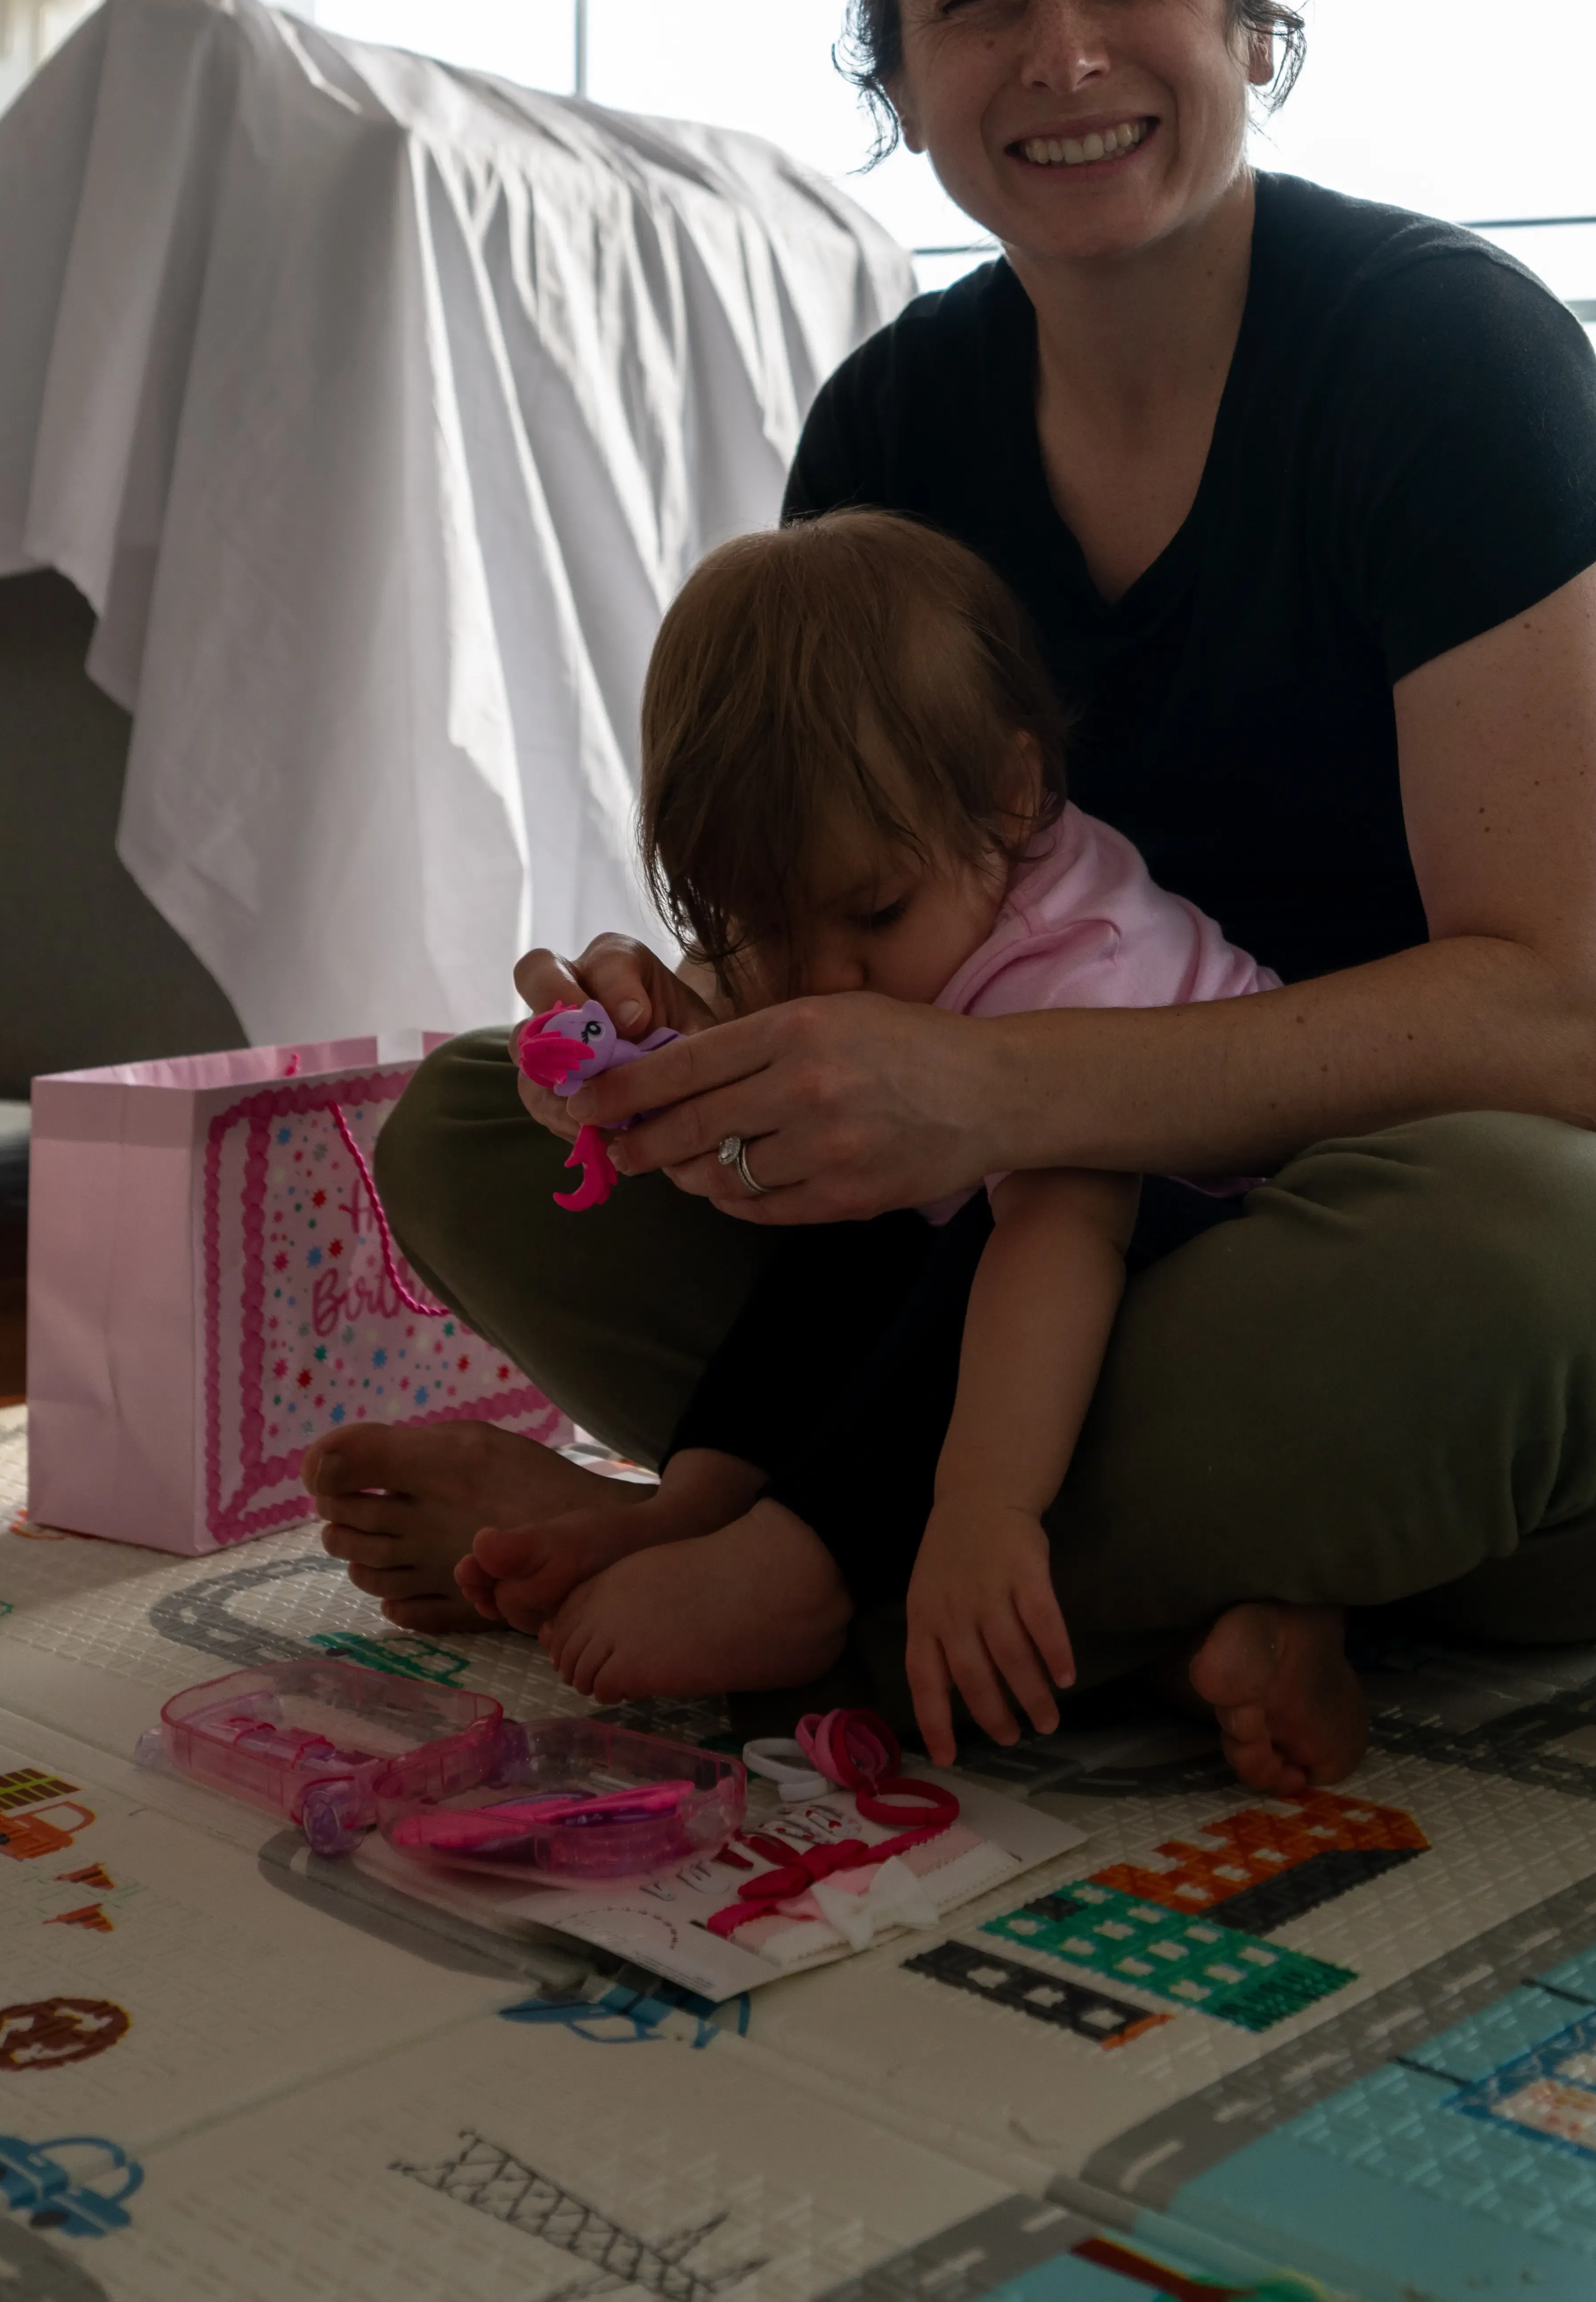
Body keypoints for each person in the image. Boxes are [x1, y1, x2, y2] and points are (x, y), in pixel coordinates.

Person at [307, 0, 1596, 1799]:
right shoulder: (891, 443)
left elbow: (1555, 1030)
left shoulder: (1440, 361)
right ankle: (1167, 1581)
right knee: (485, 1125)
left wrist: (981, 1090)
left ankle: (775, 1570)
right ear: (903, 84)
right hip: (1029, 1261)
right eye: (974, 1)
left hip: (1522, 1238)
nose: (1061, 50)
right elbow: (873, 943)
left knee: (1534, 1271)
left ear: (1246, 22)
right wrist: (727, 1027)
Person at [470, 505, 1287, 1770]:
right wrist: (644, 1040)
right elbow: (758, 1015)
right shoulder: (866, 899)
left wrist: (982, 1510)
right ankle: (704, 1498)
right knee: (834, 1200)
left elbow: (1061, 1238)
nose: (823, 978)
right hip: (997, 1224)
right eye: (754, 926)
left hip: (1210, 1257)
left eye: (874, 914)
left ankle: (809, 1569)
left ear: (1013, 797)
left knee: (963, 1266)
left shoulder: (1076, 963)